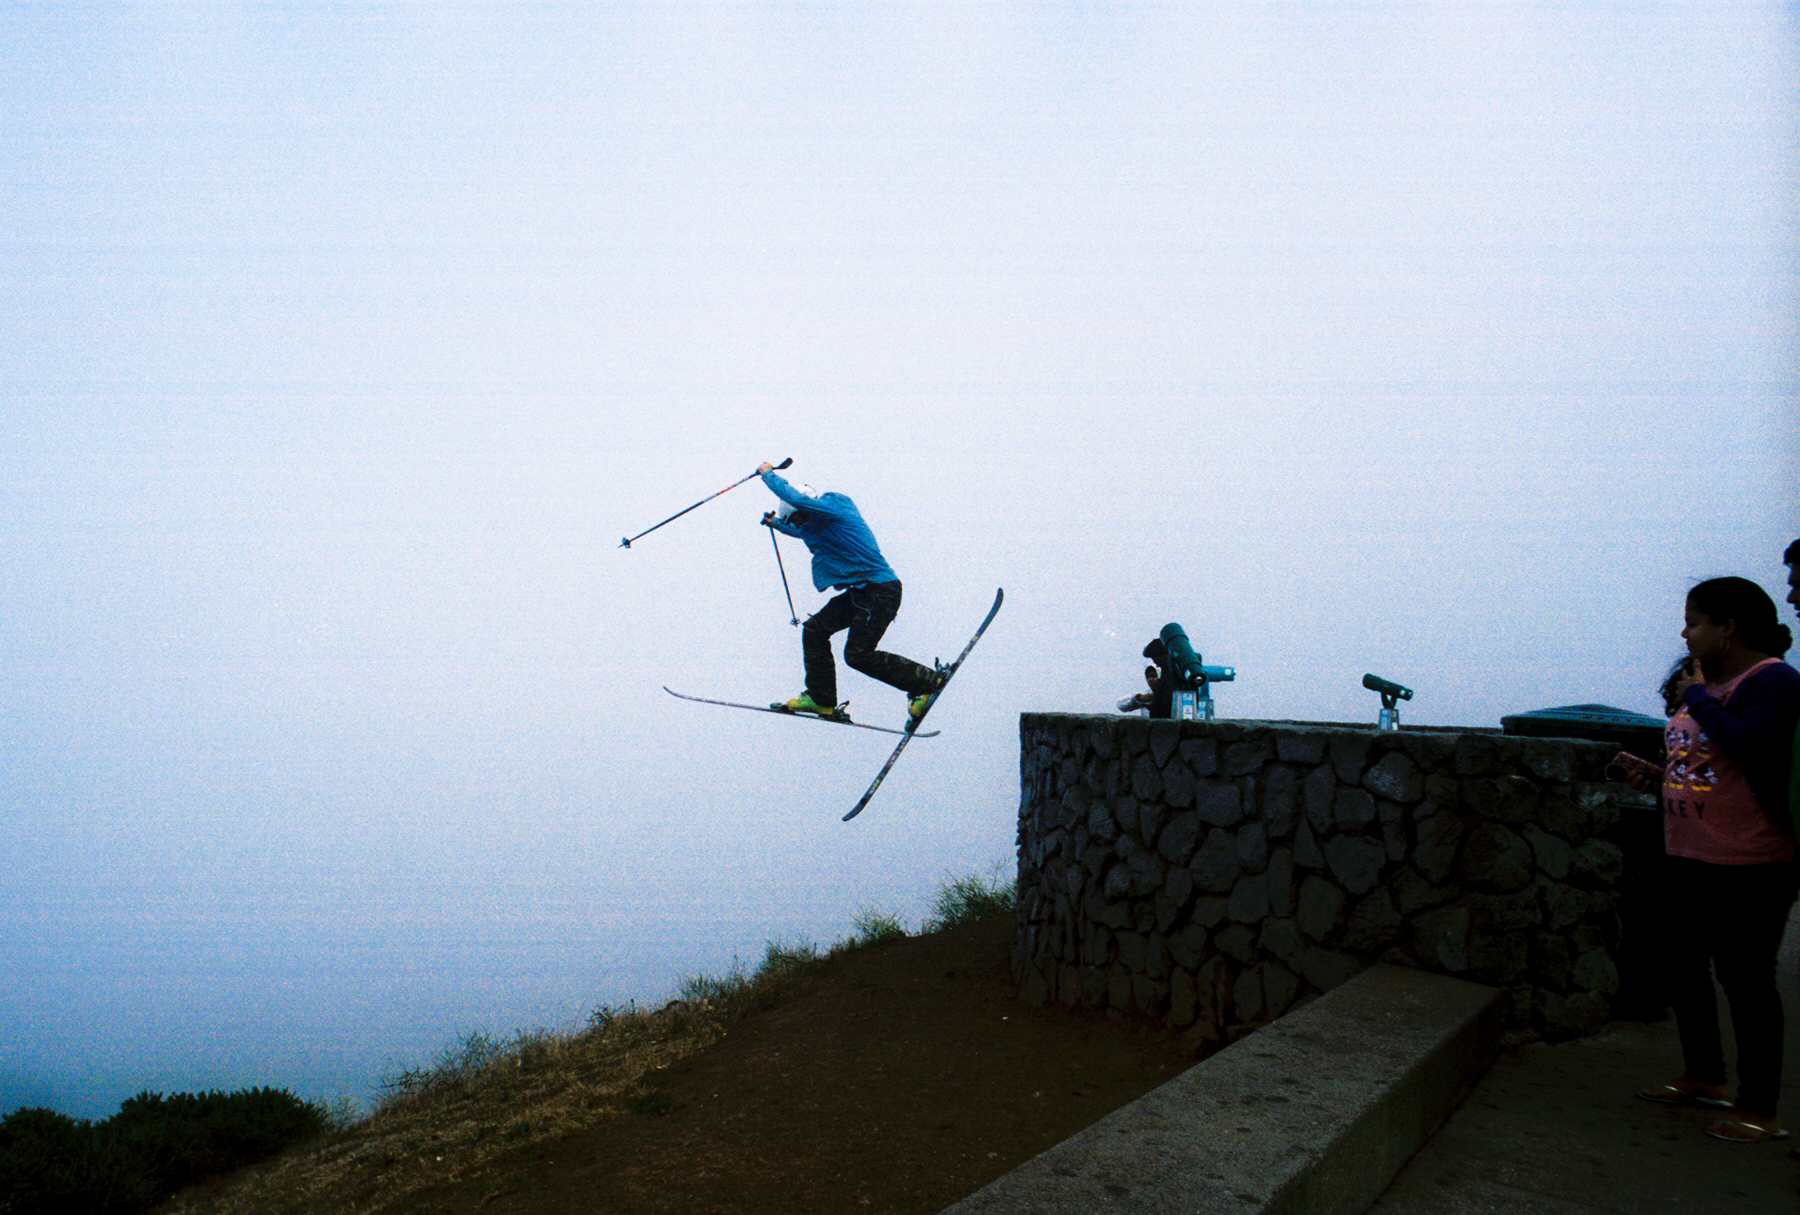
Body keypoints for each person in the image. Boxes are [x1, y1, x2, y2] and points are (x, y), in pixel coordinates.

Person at [1629, 576, 1800, 1143]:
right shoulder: (1708, 686)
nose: (1685, 632)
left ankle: (1759, 1108)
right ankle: (1704, 1076)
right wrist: (1659, 775)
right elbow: (1711, 771)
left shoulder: (1771, 682)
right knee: (1680, 963)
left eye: (1696, 621)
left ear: (1729, 628)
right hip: (1689, 853)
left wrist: (1696, 699)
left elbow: (1751, 747)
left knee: (1746, 979)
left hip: (1751, 861)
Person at [756, 463, 945, 728]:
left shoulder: (832, 509)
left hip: (880, 591)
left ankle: (926, 683)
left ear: (804, 509)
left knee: (858, 655)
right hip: (861, 593)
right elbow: (801, 531)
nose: (798, 524)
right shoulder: (818, 525)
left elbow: (795, 499)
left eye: (796, 517)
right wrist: (776, 524)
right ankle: (821, 698)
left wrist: (768, 475)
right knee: (814, 629)